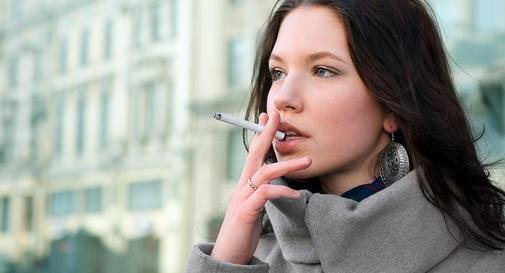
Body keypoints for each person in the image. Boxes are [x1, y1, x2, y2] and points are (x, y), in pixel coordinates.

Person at [186, 0, 505, 272]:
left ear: (393, 106)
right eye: (278, 73)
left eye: (322, 70)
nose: (284, 98)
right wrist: (224, 262)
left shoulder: (486, 261)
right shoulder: (248, 257)